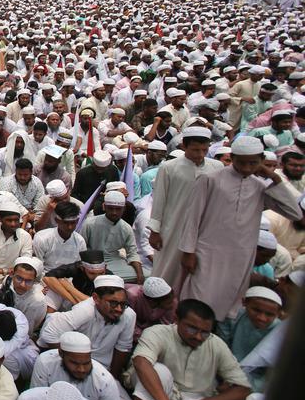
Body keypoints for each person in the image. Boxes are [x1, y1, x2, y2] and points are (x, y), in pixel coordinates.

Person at [178, 135, 302, 319]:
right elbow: (192, 218)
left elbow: (295, 213)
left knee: (227, 302)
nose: (246, 168)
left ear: (261, 161)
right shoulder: (210, 179)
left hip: (241, 255)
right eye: (241, 162)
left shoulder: (261, 186)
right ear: (233, 157)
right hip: (207, 251)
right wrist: (188, 251)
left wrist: (274, 177)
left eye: (253, 163)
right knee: (198, 298)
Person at [128, 299, 252, 400]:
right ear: (176, 319)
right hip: (162, 397)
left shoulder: (216, 344)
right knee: (159, 371)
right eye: (192, 329)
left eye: (205, 332)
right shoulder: (158, 332)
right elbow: (141, 363)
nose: (198, 337)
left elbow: (243, 389)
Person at [147, 126, 223, 289]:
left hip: (205, 228)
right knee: (167, 267)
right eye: (195, 150)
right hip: (173, 227)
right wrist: (155, 231)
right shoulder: (169, 167)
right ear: (184, 146)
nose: (200, 154)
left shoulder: (217, 167)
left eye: (204, 149)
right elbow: (159, 200)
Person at [29, 331, 125, 400]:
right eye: (74, 363)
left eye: (86, 363)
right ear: (61, 354)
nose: (81, 369)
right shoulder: (45, 363)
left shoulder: (104, 380)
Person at [38, 274, 135, 379]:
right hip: (72, 367)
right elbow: (50, 333)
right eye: (113, 303)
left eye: (123, 304)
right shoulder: (85, 311)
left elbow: (123, 348)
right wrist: (68, 361)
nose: (119, 309)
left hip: (102, 370)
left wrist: (114, 378)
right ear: (96, 298)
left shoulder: (129, 315)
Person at [80, 190, 142, 283]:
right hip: (93, 263)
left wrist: (140, 274)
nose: (114, 212)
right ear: (104, 207)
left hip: (115, 262)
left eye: (118, 209)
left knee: (148, 274)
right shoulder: (89, 223)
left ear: (124, 209)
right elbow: (80, 249)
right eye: (111, 208)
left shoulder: (126, 228)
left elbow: (132, 253)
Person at [125, 276, 176, 340]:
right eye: (168, 303)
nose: (172, 305)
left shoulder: (172, 300)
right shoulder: (132, 296)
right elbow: (129, 324)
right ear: (152, 302)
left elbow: (169, 324)